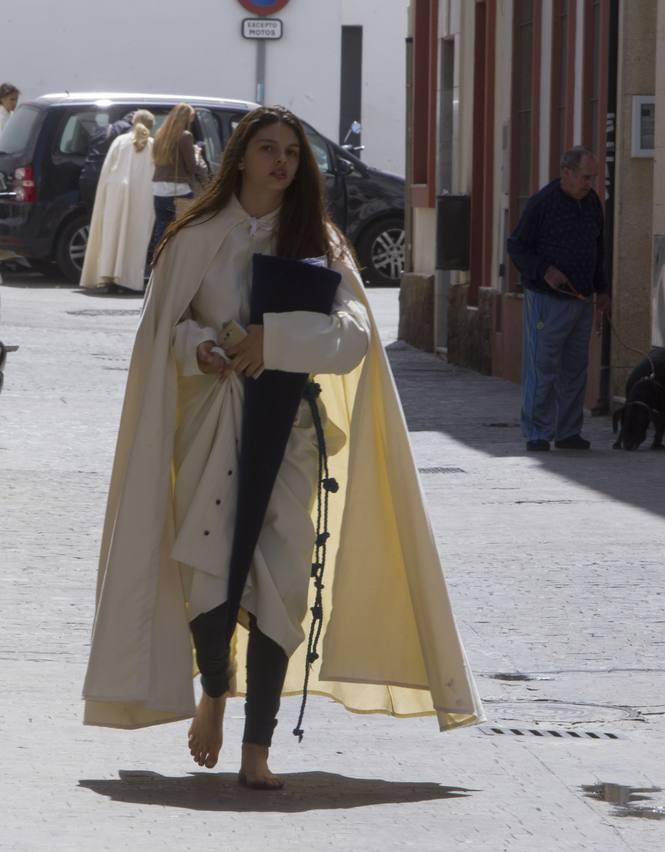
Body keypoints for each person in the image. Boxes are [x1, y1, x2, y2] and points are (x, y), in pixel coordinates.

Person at [82, 105, 484, 790]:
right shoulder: (195, 236)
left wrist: (279, 344)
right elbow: (161, 334)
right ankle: (214, 688)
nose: (280, 163)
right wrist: (201, 349)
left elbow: (354, 335)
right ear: (240, 157)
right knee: (208, 579)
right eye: (267, 149)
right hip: (212, 425)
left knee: (281, 589)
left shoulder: (317, 240)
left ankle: (257, 749)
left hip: (290, 435)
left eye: (292, 154)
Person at [508, 146, 611, 452]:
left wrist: (602, 289)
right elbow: (517, 247)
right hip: (546, 299)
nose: (589, 183)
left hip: (582, 300)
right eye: (584, 177)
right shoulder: (543, 203)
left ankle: (568, 431)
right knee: (543, 366)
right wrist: (544, 270)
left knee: (576, 367)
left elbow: (598, 250)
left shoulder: (592, 203)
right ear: (566, 173)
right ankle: (537, 432)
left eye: (592, 177)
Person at [79, 110, 156, 293]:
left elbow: (106, 172)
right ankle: (128, 280)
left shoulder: (119, 141)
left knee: (112, 235)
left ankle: (109, 276)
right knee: (135, 237)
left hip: (115, 196)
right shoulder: (153, 145)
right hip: (142, 198)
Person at [149, 103, 207, 252]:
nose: (191, 122)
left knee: (161, 227)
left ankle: (158, 261)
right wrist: (196, 152)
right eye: (191, 118)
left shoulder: (160, 134)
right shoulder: (185, 136)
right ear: (186, 118)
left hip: (159, 190)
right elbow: (192, 167)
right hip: (179, 190)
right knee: (183, 230)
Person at [79, 112, 136, 208]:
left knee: (93, 215)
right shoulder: (127, 130)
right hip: (103, 178)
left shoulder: (102, 129)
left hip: (87, 176)